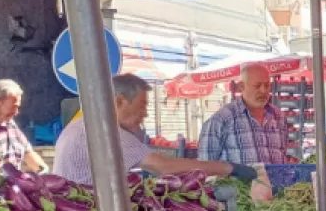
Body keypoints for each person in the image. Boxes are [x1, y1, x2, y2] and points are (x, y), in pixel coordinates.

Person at [55, 74, 258, 186]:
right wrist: (228, 168)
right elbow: (163, 166)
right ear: (119, 101)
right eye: (142, 105)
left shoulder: (81, 126)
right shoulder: (104, 132)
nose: (145, 114)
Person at [198, 65, 288, 164]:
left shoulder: (279, 117)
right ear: (241, 86)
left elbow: (283, 157)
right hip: (235, 180)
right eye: (257, 86)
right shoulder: (221, 120)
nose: (263, 91)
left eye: (267, 85)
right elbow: (205, 167)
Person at [0, 80, 46, 173]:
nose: (16, 112)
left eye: (18, 107)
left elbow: (27, 152)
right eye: (13, 107)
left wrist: (43, 171)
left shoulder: (11, 124)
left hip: (16, 186)